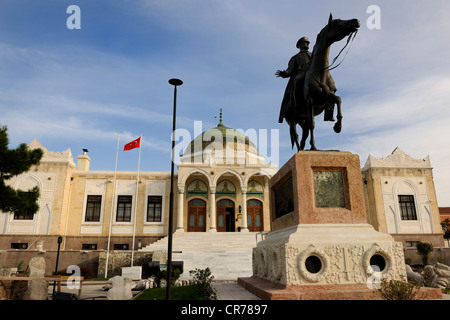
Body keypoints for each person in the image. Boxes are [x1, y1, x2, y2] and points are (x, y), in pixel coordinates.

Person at [276, 37, 312, 123]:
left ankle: (329, 110)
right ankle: (297, 104)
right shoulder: (296, 57)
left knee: (330, 84)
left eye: (307, 43)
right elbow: (290, 70)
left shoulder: (314, 54)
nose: (306, 44)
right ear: (299, 45)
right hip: (301, 74)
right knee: (297, 80)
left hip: (312, 74)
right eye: (304, 43)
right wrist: (284, 73)